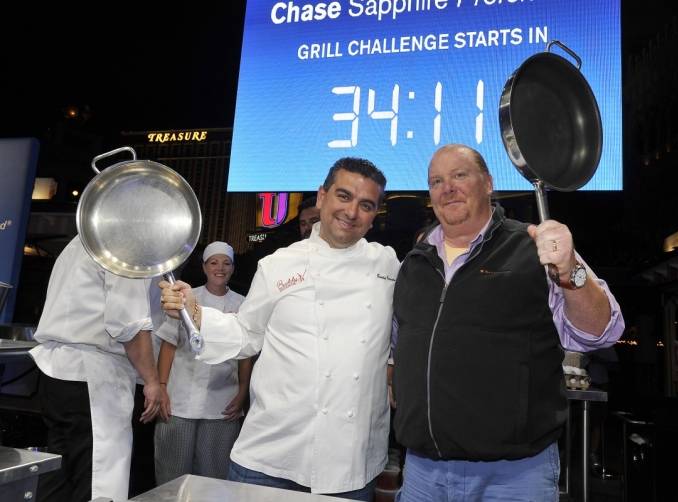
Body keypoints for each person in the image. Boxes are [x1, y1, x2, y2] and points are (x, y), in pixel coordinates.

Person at [391, 144, 625, 501]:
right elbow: (399, 347)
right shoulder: (414, 263)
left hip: (513, 477)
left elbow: (600, 332)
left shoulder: (534, 246)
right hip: (424, 473)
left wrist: (570, 272)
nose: (447, 187)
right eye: (436, 181)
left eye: (459, 175)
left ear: (488, 183)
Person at [160, 157, 400, 500]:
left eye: (366, 205)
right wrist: (194, 312)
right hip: (270, 456)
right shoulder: (278, 265)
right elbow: (246, 335)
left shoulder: (388, 264)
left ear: (375, 214)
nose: (351, 212)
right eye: (343, 197)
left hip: (349, 461)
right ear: (322, 196)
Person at [29, 235, 161, 502]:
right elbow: (129, 325)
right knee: (98, 481)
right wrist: (152, 380)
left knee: (61, 478)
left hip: (59, 374)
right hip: (91, 377)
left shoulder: (81, 240)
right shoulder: (125, 244)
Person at [153, 241, 249, 484]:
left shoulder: (243, 303)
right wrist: (162, 387)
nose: (220, 268)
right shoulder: (187, 297)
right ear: (204, 267)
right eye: (214, 263)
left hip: (222, 401)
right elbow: (169, 343)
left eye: (226, 263)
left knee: (214, 478)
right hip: (179, 399)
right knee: (172, 475)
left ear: (233, 268)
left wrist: (243, 392)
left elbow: (246, 354)